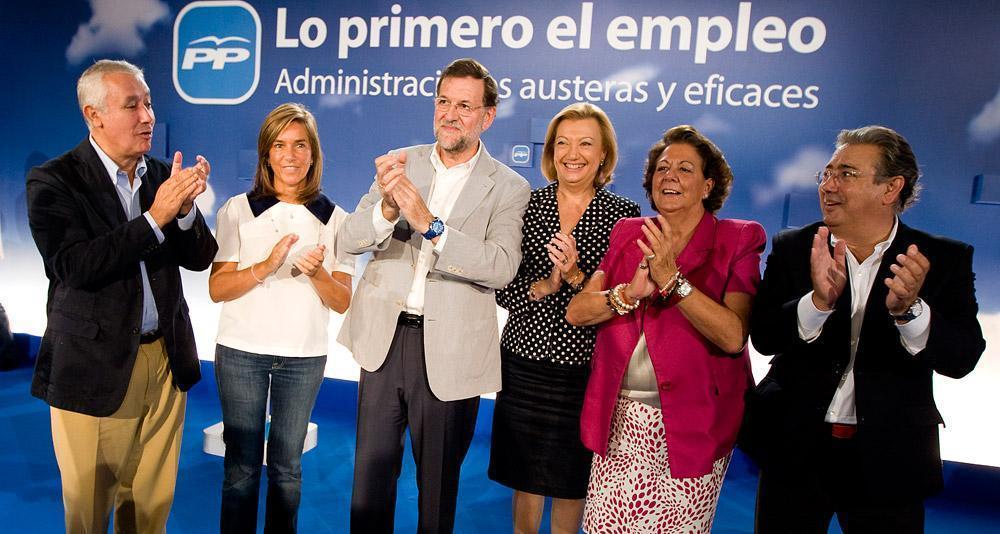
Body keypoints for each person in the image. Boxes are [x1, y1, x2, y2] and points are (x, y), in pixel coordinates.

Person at [741, 125, 986, 533]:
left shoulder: (941, 258)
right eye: (827, 173)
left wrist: (910, 311)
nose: (828, 185)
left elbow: (961, 359)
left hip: (891, 456)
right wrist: (817, 304)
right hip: (796, 448)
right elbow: (764, 338)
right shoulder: (794, 247)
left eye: (847, 174)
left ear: (891, 188)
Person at [337, 57, 530, 533]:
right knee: (369, 484)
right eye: (444, 102)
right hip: (383, 342)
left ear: (487, 117)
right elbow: (350, 238)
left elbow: (501, 267)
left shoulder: (509, 186)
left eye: (465, 106)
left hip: (452, 354)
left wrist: (431, 225)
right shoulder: (401, 162)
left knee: (437, 491)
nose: (450, 114)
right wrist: (385, 207)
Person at [25, 59, 217, 532]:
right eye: (132, 106)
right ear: (94, 115)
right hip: (94, 367)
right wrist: (155, 218)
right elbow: (74, 267)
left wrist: (187, 211)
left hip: (166, 362)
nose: (148, 117)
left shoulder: (158, 177)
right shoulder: (53, 181)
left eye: (148, 103)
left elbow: (199, 258)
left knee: (151, 507)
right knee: (90, 513)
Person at [566, 125, 766, 533]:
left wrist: (674, 282)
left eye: (685, 169)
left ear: (709, 184)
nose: (669, 176)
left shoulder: (739, 238)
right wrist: (627, 294)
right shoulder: (627, 232)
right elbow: (579, 310)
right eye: (662, 168)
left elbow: (732, 335)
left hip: (691, 422)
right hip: (619, 419)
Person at [489, 102, 639, 534]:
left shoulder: (623, 216)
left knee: (572, 478)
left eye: (585, 144)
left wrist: (574, 277)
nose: (573, 154)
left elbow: (622, 298)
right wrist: (543, 287)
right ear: (550, 151)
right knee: (525, 474)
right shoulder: (526, 205)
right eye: (563, 143)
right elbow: (502, 286)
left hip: (586, 369)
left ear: (604, 154)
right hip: (523, 362)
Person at [208, 103, 354, 533]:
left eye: (299, 145)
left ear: (313, 154)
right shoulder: (238, 209)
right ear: (266, 154)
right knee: (241, 468)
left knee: (287, 470)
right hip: (240, 354)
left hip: (302, 357)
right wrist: (264, 267)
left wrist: (316, 273)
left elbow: (342, 300)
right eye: (279, 145)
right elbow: (217, 289)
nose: (289, 156)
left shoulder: (334, 218)